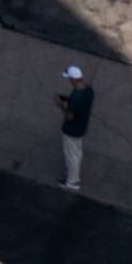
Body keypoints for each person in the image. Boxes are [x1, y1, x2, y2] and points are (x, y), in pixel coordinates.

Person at [60, 61, 97, 192]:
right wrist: (68, 100)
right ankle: (72, 174)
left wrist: (61, 106)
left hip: (71, 129)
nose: (68, 81)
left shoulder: (76, 96)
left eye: (69, 79)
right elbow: (79, 105)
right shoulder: (89, 91)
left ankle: (72, 182)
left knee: (71, 156)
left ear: (72, 79)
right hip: (81, 127)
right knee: (77, 153)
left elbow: (69, 116)